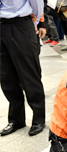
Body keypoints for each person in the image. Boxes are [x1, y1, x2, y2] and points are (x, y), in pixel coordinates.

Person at [0, 0, 46, 136]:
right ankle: (16, 119)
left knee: (29, 74)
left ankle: (38, 119)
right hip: (1, 26)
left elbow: (37, 4)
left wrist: (36, 22)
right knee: (6, 76)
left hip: (21, 24)